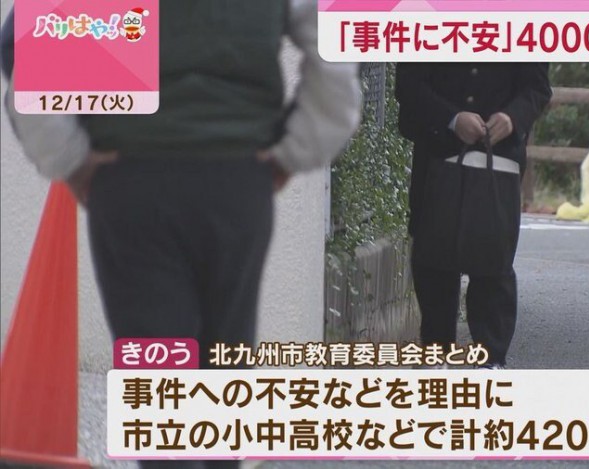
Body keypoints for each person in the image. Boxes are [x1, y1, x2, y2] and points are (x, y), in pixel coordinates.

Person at [3, 2, 360, 466]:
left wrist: (68, 155)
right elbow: (332, 47)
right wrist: (297, 148)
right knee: (225, 368)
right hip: (236, 178)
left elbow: (25, 43)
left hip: (132, 176)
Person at [395, 63, 551, 369]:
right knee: (433, 255)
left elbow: (537, 88)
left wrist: (511, 118)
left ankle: (490, 358)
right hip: (438, 149)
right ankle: (436, 352)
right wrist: (452, 119)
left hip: (499, 157)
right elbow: (409, 85)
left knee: (494, 256)